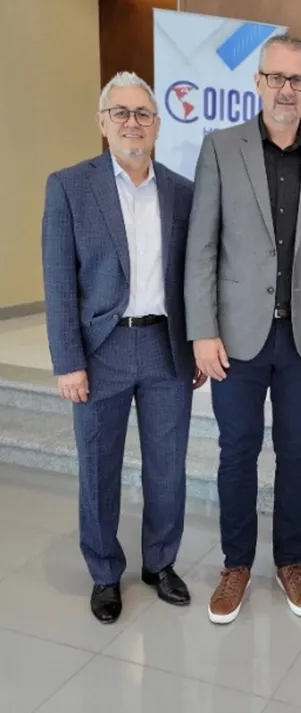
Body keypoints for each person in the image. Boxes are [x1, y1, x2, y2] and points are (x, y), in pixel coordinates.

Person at [185, 33, 301, 624]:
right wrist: (202, 330)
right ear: (258, 82)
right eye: (277, 77)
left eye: (298, 79)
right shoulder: (220, 148)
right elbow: (201, 247)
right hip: (235, 337)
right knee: (237, 450)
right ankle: (236, 564)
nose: (287, 89)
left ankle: (290, 561)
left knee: (297, 452)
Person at [41, 72, 206, 624]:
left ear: (157, 125)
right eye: (121, 113)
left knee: (167, 466)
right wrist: (68, 360)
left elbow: (195, 276)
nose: (132, 123)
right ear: (102, 122)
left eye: (143, 114)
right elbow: (59, 281)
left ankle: (160, 564)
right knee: (98, 467)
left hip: (165, 346)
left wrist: (196, 343)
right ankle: (105, 572)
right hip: (101, 349)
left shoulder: (182, 191)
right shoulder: (69, 186)